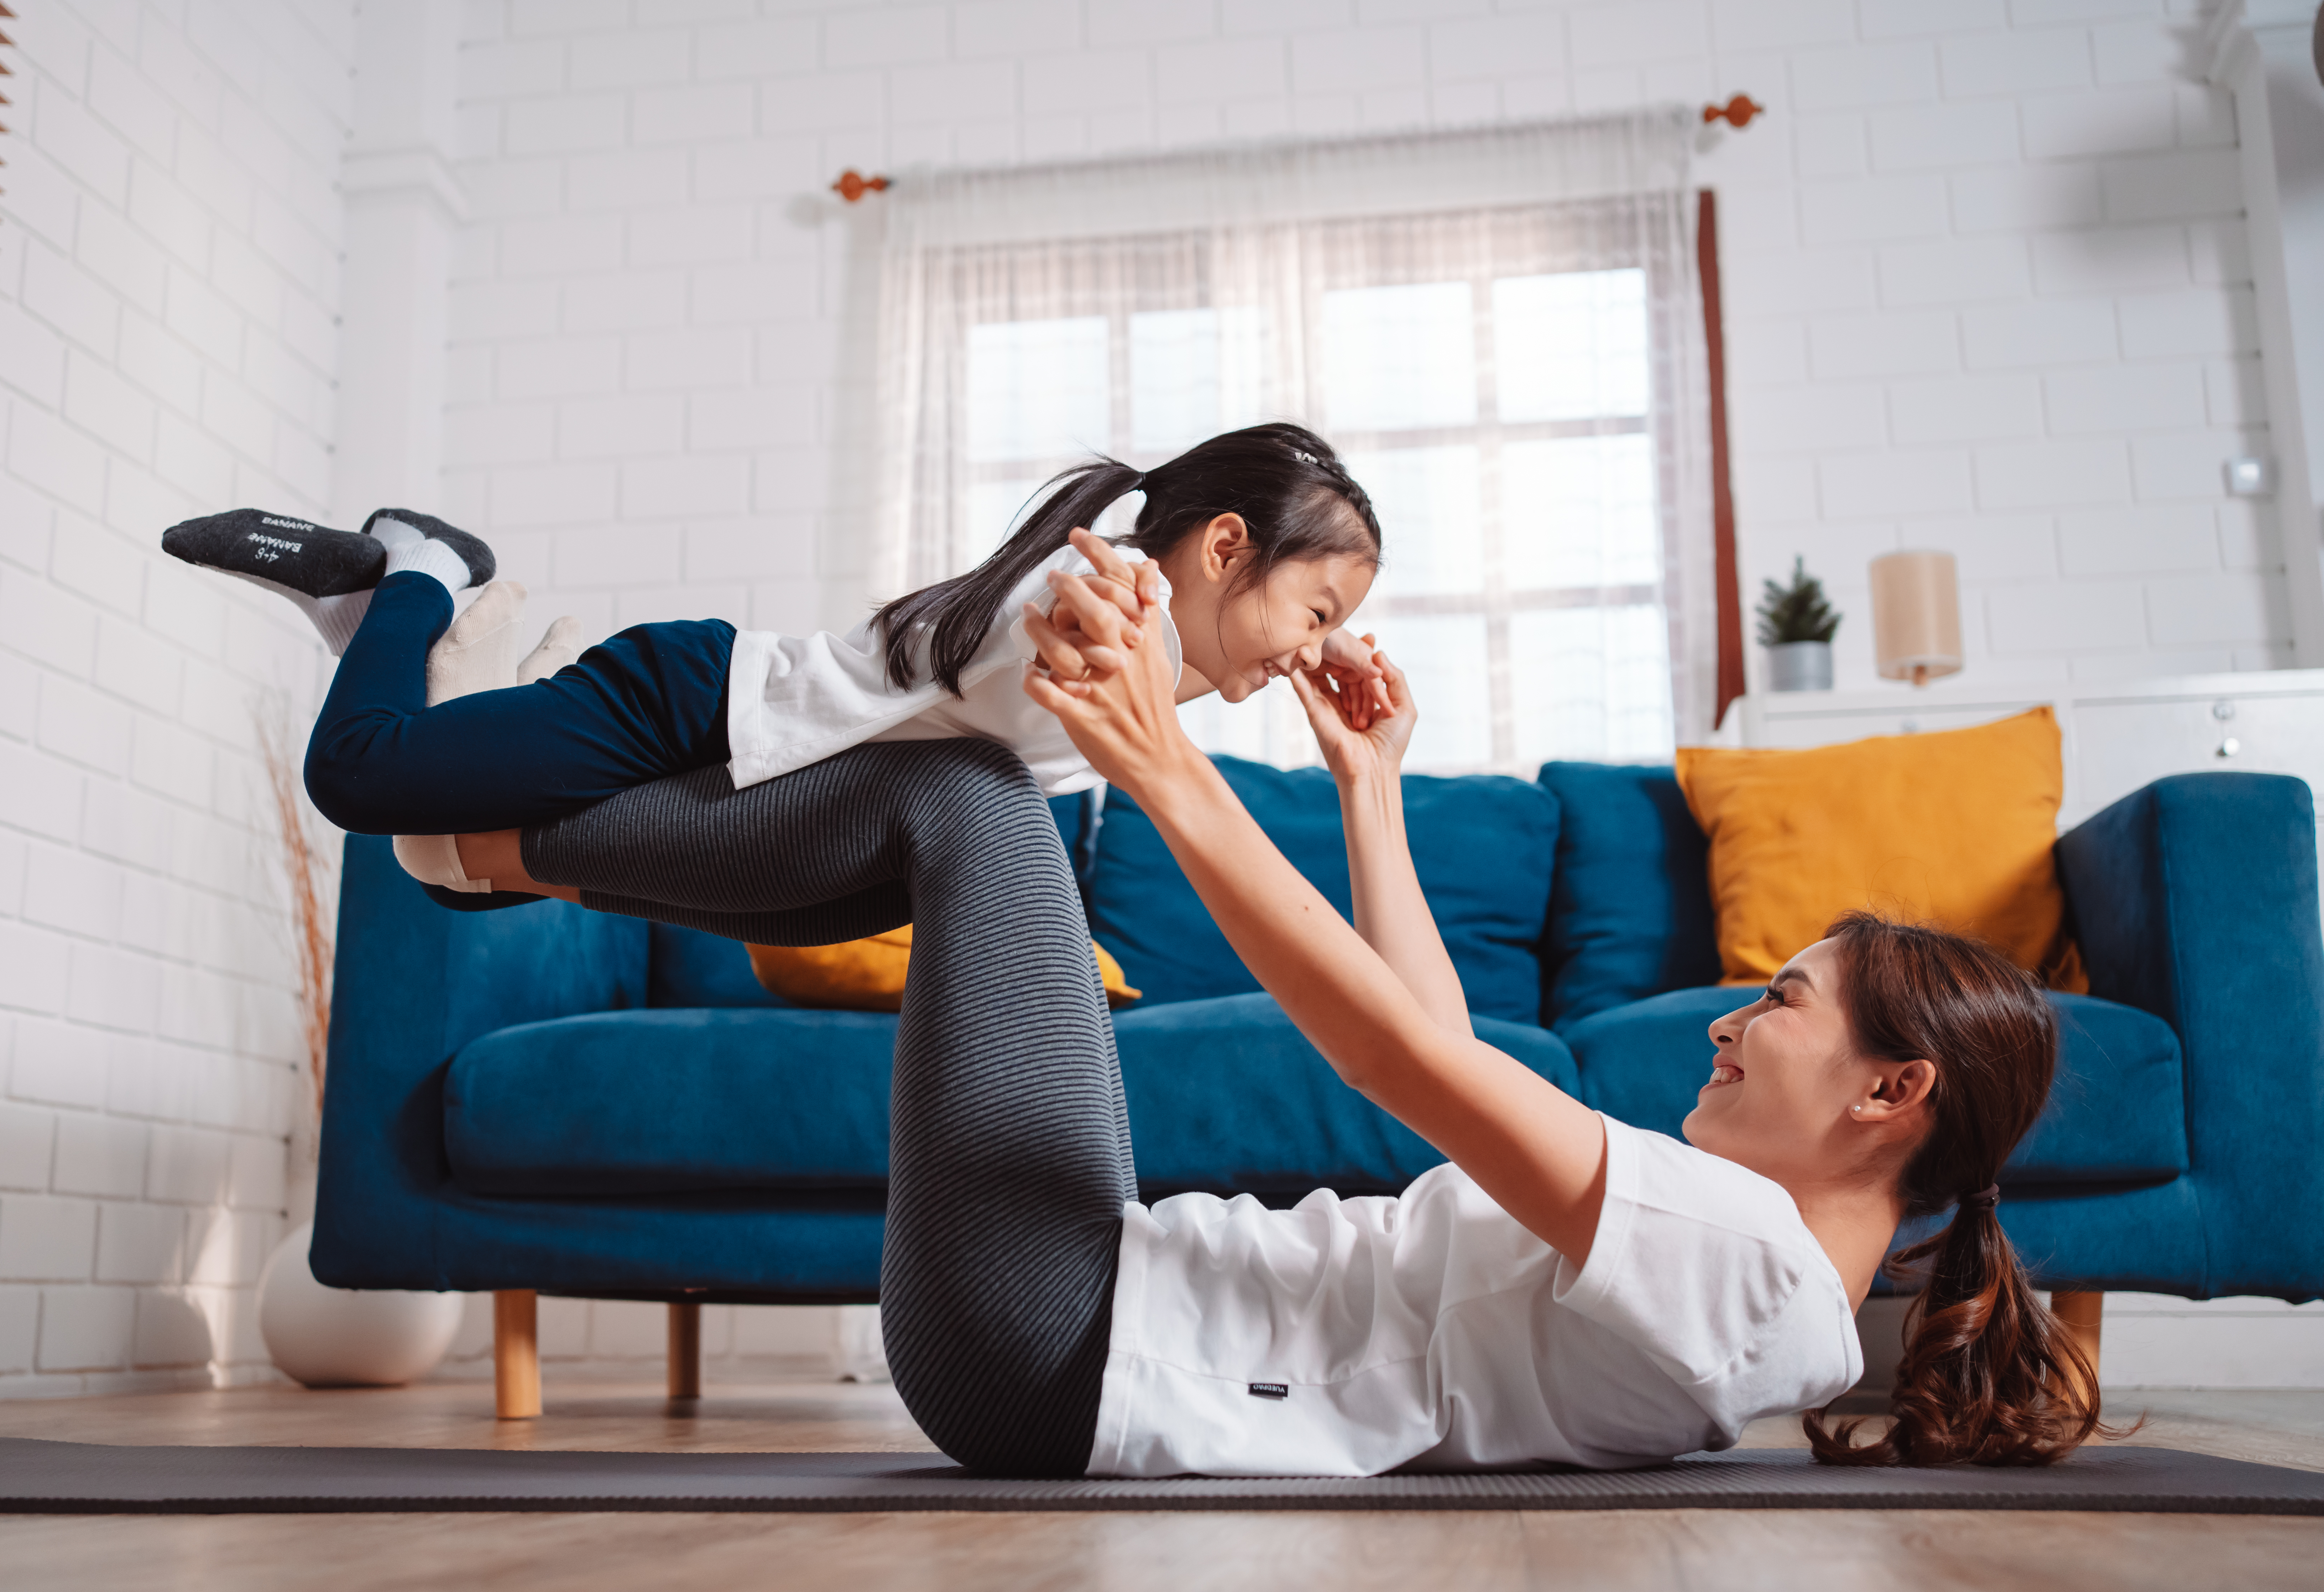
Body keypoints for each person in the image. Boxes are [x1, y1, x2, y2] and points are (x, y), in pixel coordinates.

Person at [484, 534, 2108, 1476]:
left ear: (1888, 1093)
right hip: (1082, 1314)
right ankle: (511, 838)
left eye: (1779, 997)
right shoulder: (1741, 1258)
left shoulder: (1746, 1270)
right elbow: (1443, 1054)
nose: (1727, 1020)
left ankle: (493, 825)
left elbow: (1396, 1058)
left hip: (1062, 1342)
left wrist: (1166, 763)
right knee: (964, 809)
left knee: (980, 798)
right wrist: (1369, 787)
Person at [158, 424, 1390, 906]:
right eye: (1316, 606)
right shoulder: (1099, 601)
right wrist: (1113, 611)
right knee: (361, 782)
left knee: (442, 877)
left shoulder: (1152, 676)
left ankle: (378, 626)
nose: (1315, 646)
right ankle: (418, 568)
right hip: (684, 698)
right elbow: (1077, 626)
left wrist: (1349, 742)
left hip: (740, 758)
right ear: (1224, 548)